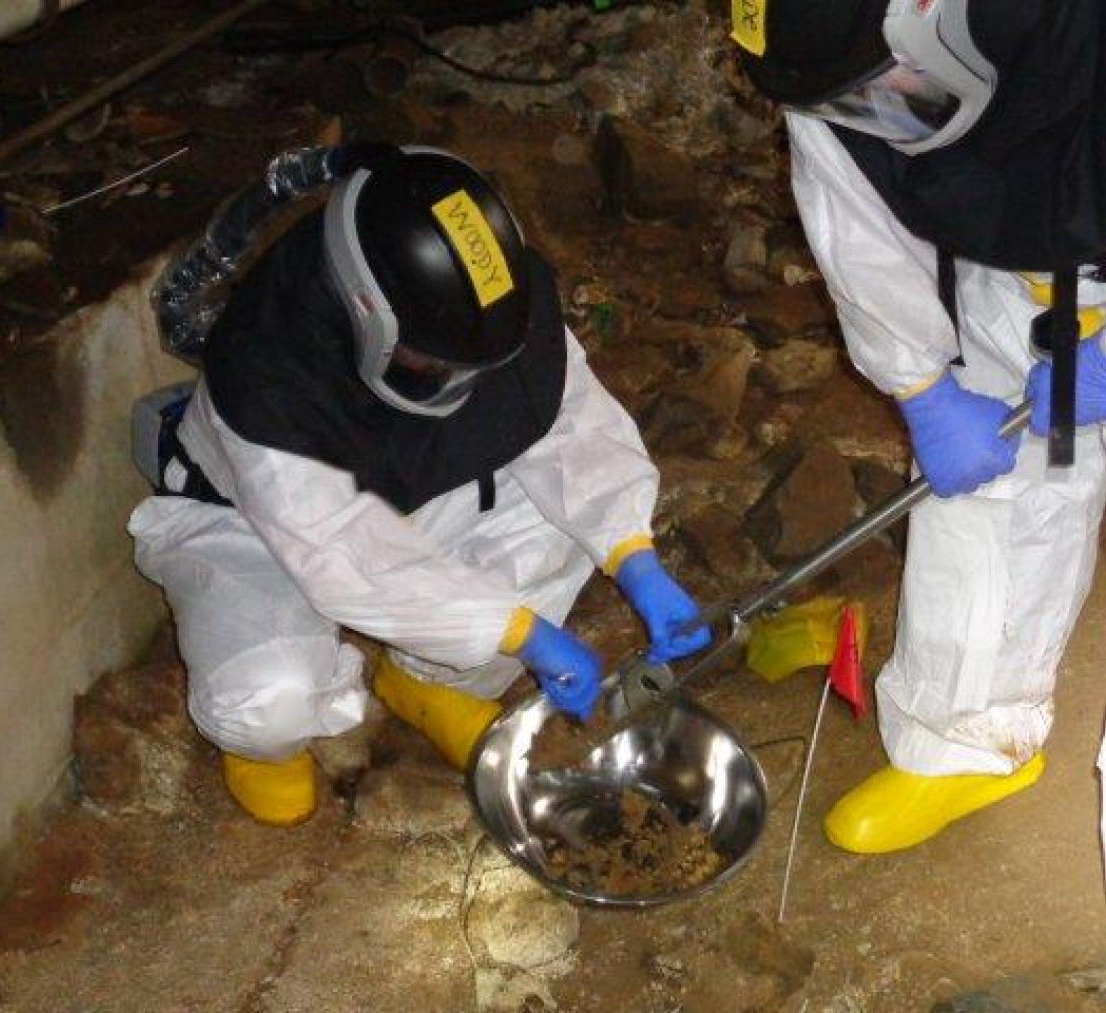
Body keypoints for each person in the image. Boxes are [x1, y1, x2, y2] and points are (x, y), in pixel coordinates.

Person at [732, 1, 1106, 1007]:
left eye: (881, 89)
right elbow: (850, 214)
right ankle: (969, 740)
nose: (865, 116)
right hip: (1010, 283)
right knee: (988, 512)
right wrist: (919, 384)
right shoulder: (817, 36)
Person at [128, 144, 709, 827]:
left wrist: (633, 554)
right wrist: (520, 631)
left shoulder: (487, 303)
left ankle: (425, 679)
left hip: (405, 484)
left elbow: (566, 423)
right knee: (267, 698)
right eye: (434, 363)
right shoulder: (271, 380)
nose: (465, 383)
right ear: (367, 315)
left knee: (562, 528)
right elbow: (345, 555)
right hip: (255, 524)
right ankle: (264, 744)